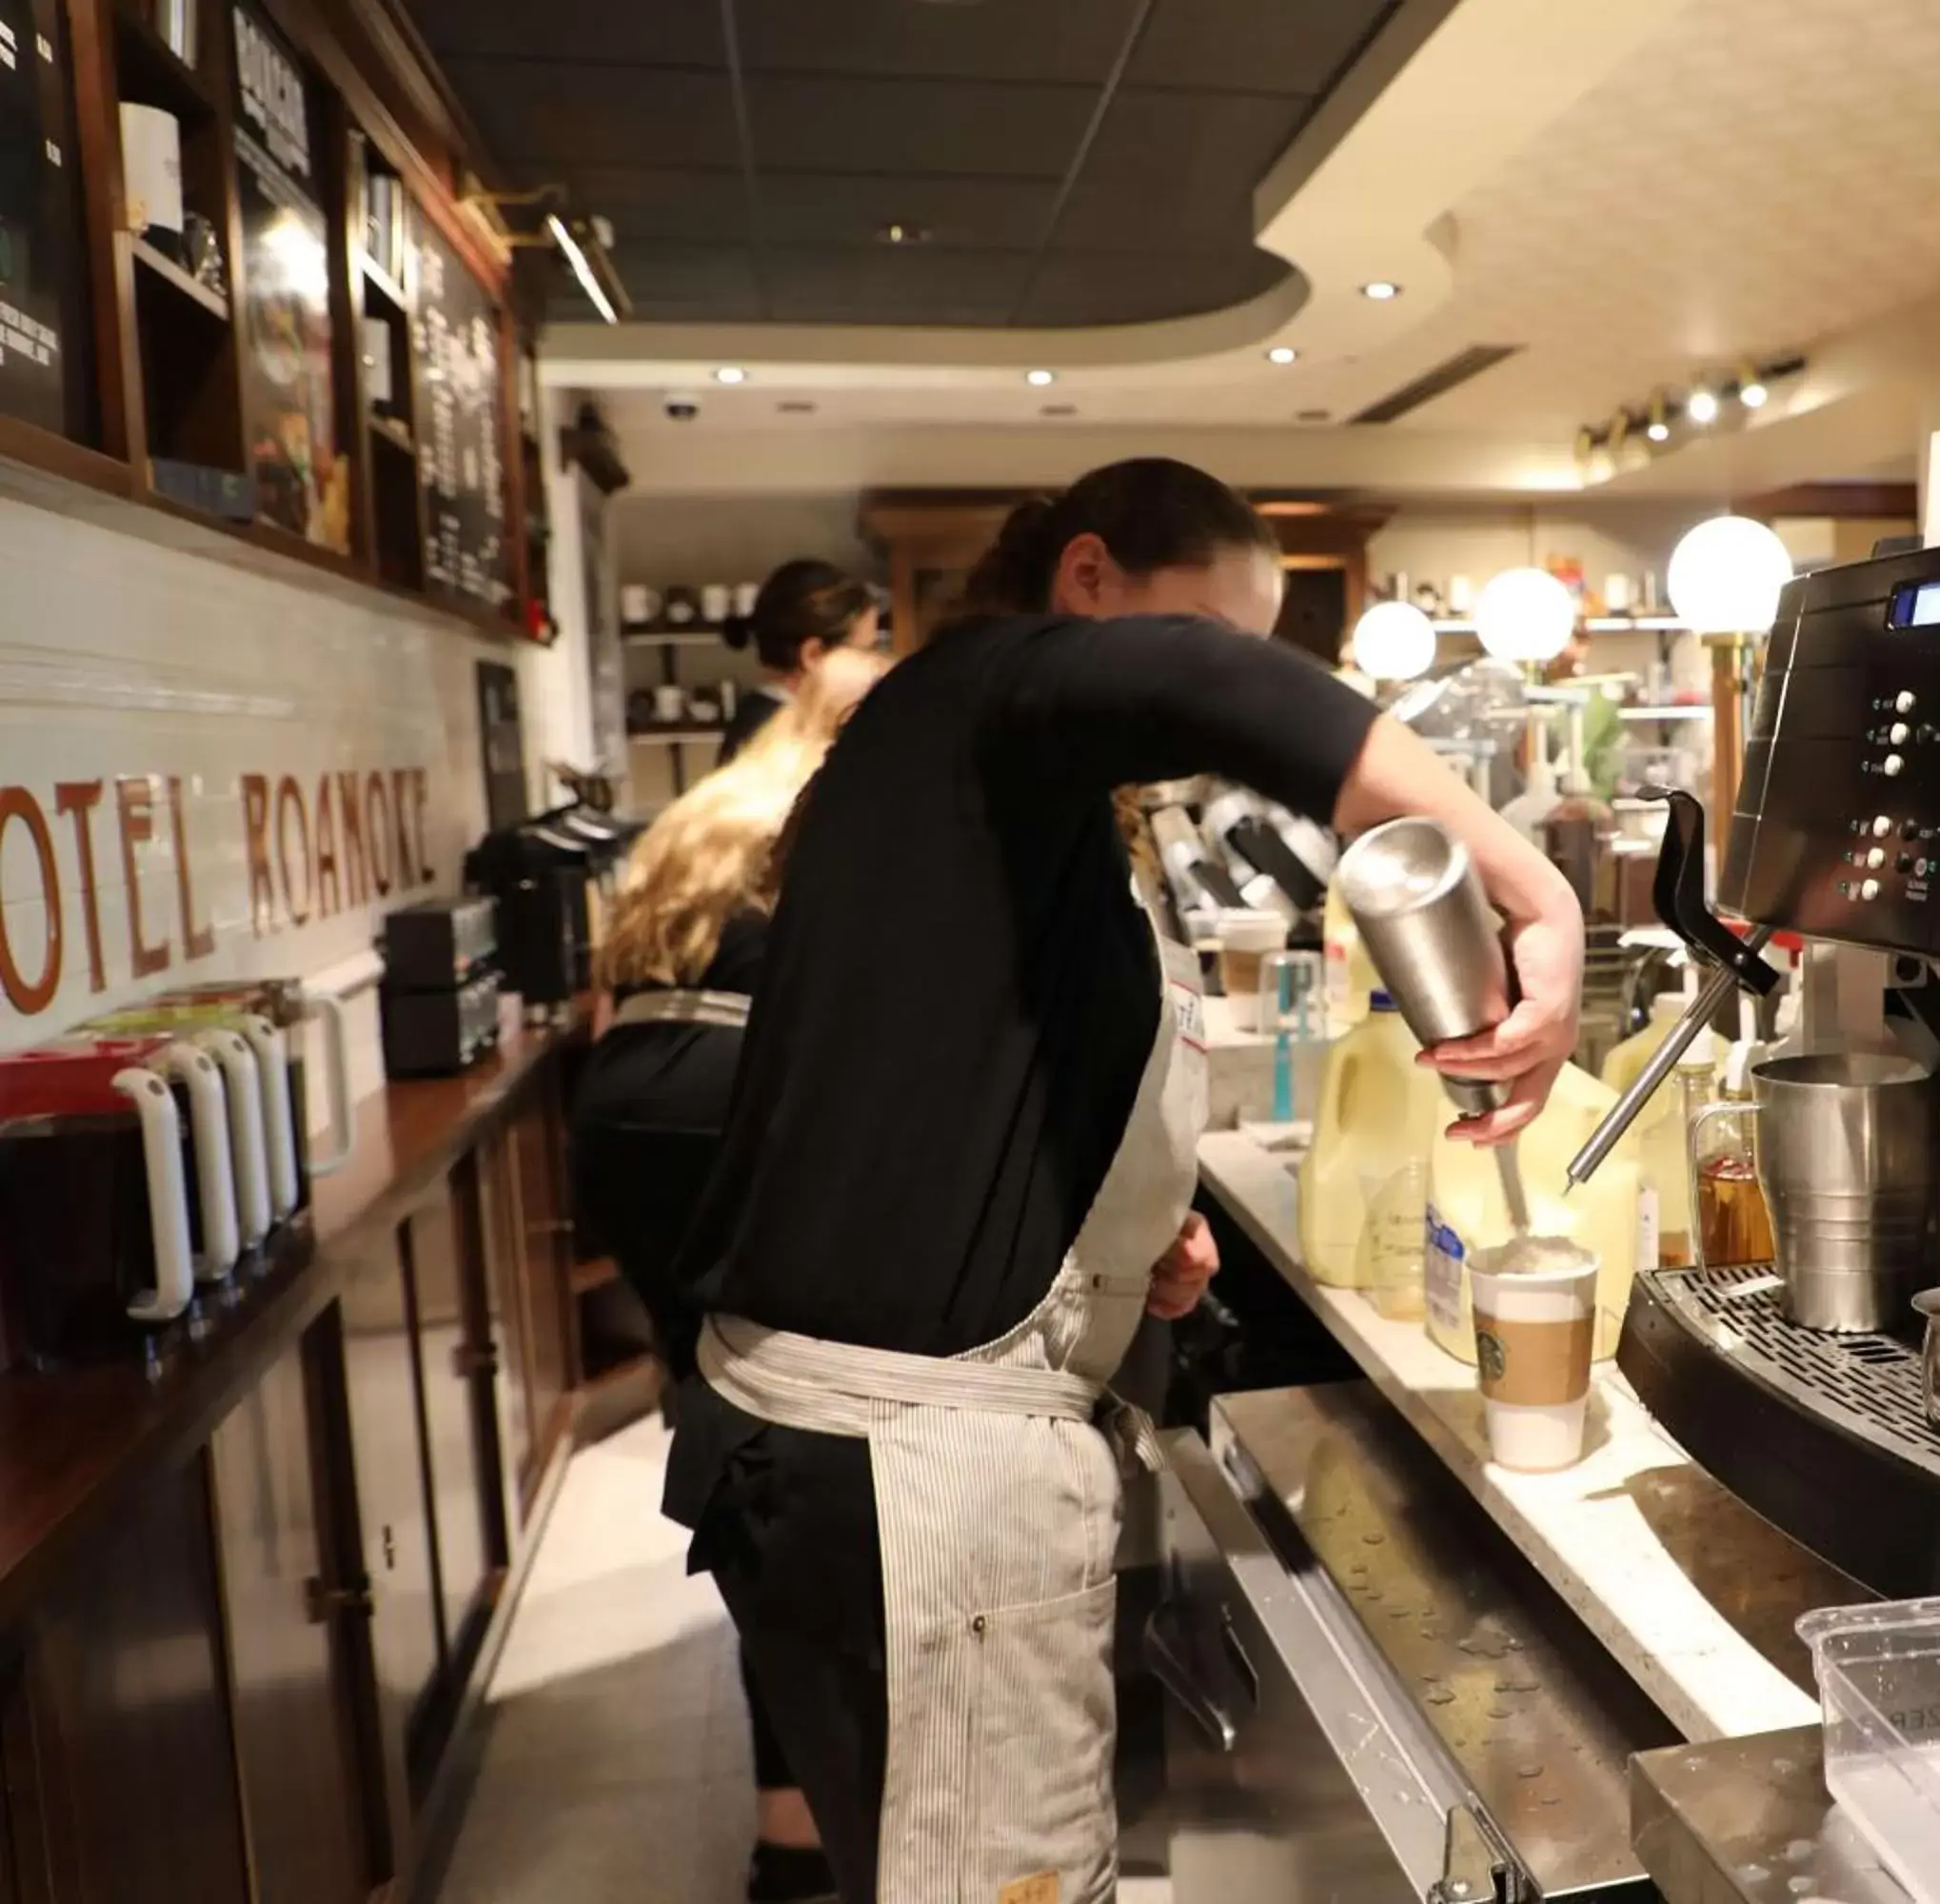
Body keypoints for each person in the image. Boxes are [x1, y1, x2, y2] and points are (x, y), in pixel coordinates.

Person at [662, 457, 1584, 1903]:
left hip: (850, 1447)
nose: (1211, 682)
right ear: (1085, 581)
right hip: (915, 1481)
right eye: (1210, 634)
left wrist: (1110, 1233)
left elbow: (957, 1080)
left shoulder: (997, 789)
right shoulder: (982, 695)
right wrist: (1536, 889)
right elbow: (1207, 691)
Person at [574, 645, 887, 1904]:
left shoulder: (710, 804)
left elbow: (607, 999)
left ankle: (789, 1831)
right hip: (735, 1117)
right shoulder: (842, 816)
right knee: (794, 1444)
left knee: (729, 1413)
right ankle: (814, 1831)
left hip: (627, 1119)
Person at [719, 560, 881, 764]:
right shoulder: (776, 740)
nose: (873, 669)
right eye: (864, 652)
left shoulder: (782, 720)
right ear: (813, 655)